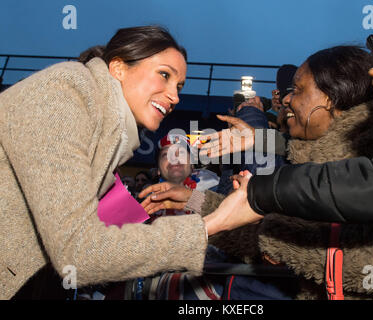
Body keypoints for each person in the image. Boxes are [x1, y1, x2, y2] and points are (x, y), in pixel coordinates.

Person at [140, 44, 373, 299]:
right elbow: (257, 231)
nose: (285, 99)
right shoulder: (313, 160)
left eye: (298, 89)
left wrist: (282, 246)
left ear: (333, 98)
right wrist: (190, 200)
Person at [0, 25, 230, 300]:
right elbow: (79, 249)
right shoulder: (65, 90)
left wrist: (198, 205)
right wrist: (209, 226)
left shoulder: (203, 181)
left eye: (179, 86)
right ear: (118, 68)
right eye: (164, 75)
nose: (175, 97)